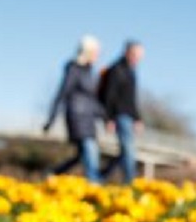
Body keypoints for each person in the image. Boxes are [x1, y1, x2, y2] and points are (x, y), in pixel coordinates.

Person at [44, 35, 105, 183]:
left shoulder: (90, 72)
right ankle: (95, 186)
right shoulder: (74, 69)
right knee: (90, 153)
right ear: (88, 51)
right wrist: (51, 118)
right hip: (77, 117)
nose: (98, 55)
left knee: (82, 155)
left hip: (88, 119)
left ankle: (53, 174)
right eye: (96, 51)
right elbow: (62, 93)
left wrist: (106, 116)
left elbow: (92, 101)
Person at [100, 40, 145, 183]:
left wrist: (137, 118)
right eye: (136, 55)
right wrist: (108, 118)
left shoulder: (132, 72)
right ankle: (130, 182)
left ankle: (101, 176)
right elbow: (109, 96)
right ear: (127, 53)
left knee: (125, 152)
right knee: (128, 150)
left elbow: (132, 99)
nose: (138, 59)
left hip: (129, 117)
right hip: (119, 116)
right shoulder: (116, 70)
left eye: (140, 56)